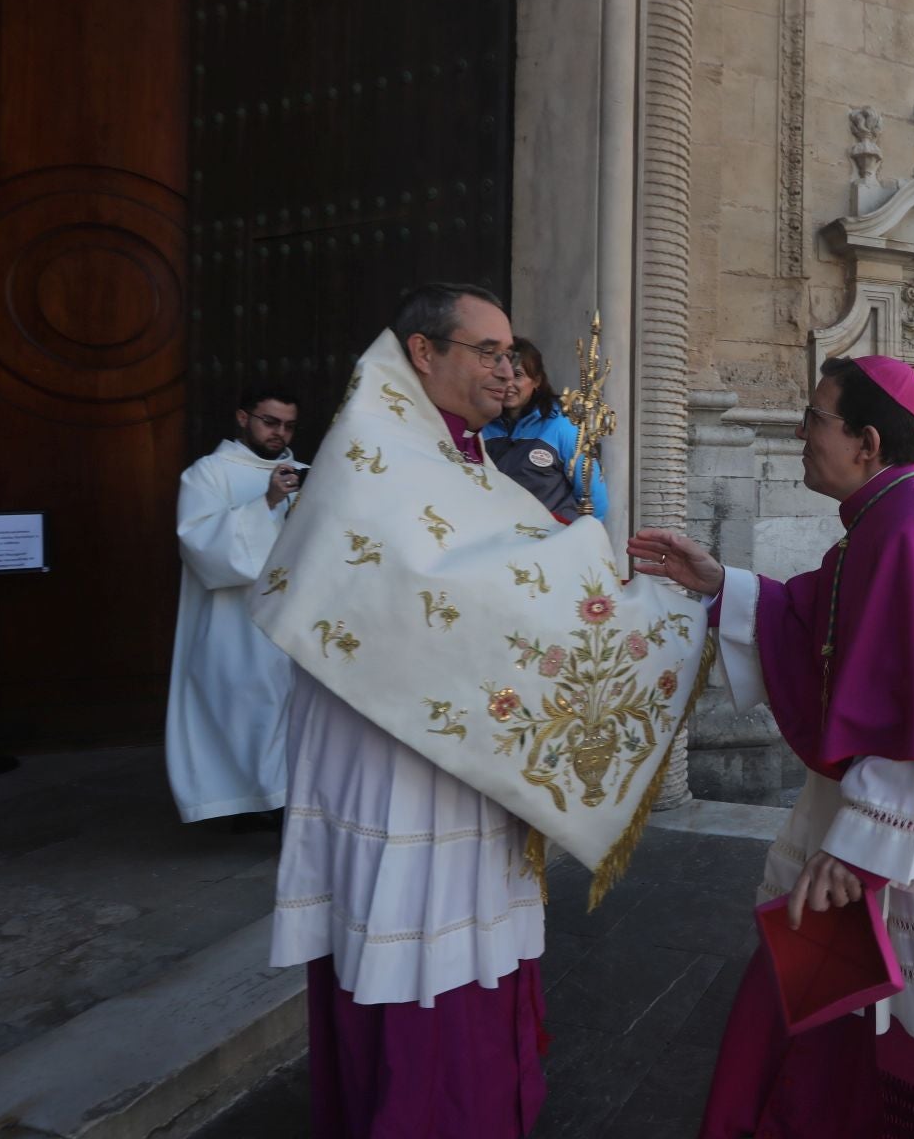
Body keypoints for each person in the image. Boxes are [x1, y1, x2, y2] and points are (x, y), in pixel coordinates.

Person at [250, 284, 707, 1138]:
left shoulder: (462, 455)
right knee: (416, 941)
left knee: (467, 932)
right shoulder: (376, 453)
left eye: (510, 351)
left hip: (441, 741)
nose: (509, 367)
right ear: (423, 354)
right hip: (392, 746)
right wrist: (588, 567)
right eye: (487, 351)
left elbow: (497, 572)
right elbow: (438, 590)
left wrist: (630, 589)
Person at [628, 355, 914, 1138]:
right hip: (898, 804)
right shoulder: (888, 520)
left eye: (814, 419)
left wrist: (862, 851)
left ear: (866, 440)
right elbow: (819, 625)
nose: (802, 434)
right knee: (842, 1001)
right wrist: (723, 585)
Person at [164, 390, 302, 824]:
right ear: (243, 418)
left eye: (288, 425)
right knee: (245, 708)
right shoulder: (207, 474)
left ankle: (282, 802)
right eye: (270, 422)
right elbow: (200, 545)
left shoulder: (301, 471)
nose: (279, 433)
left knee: (287, 708)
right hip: (232, 622)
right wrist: (267, 503)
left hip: (291, 619)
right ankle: (243, 806)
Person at [481, 336, 608, 520]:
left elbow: (595, 499)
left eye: (517, 375)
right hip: (501, 541)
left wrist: (583, 541)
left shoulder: (562, 426)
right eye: (502, 375)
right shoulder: (482, 426)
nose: (508, 383)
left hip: (552, 541)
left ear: (537, 381)